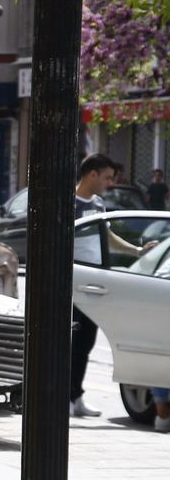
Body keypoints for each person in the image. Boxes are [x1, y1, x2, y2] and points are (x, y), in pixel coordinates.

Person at [70, 153, 143, 417]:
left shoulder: (98, 205)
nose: (110, 183)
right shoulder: (70, 204)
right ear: (92, 175)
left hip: (95, 280)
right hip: (74, 280)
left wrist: (136, 250)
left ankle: (76, 396)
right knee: (72, 339)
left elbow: (106, 235)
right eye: (107, 177)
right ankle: (66, 396)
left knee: (87, 340)